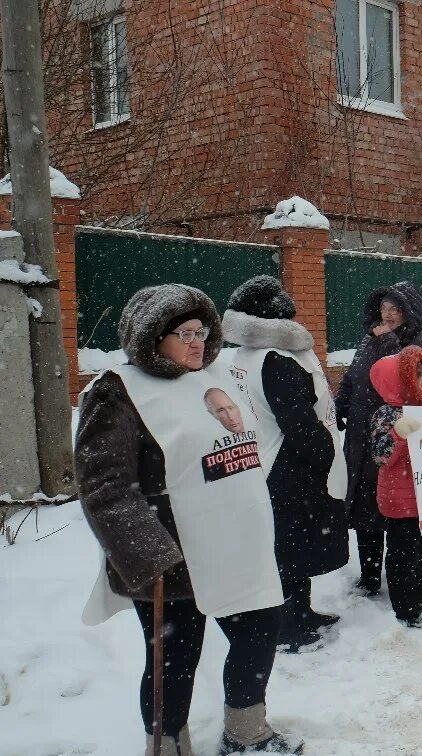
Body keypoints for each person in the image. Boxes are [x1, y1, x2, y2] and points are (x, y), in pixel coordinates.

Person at [76, 284, 301, 755]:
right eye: (184, 333)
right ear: (152, 338)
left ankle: (246, 730)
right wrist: (147, 552)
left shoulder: (213, 375)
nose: (198, 342)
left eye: (203, 331)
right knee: (175, 656)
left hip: (235, 544)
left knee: (260, 629)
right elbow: (104, 485)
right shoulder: (116, 391)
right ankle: (169, 745)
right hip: (171, 556)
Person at [223, 276, 349, 654]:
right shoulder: (277, 358)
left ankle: (301, 612)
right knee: (291, 547)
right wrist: (325, 453)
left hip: (269, 459)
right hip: (290, 465)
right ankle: (287, 625)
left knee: (291, 544)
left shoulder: (245, 354)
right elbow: (298, 422)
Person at [335, 282, 422, 597]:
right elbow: (353, 375)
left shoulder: (421, 342)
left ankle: (407, 574)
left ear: (409, 312)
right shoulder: (369, 339)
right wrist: (341, 403)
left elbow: (410, 381)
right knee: (365, 506)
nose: (388, 315)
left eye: (395, 309)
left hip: (401, 437)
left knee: (402, 509)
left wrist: (390, 342)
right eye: (384, 309)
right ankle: (369, 575)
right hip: (363, 435)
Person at [368, 346, 422, 628]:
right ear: (400, 382)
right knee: (402, 553)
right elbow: (380, 455)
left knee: (418, 549)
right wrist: (398, 433)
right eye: (418, 378)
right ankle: (407, 608)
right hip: (400, 499)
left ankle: (415, 593)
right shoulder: (386, 414)